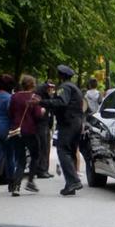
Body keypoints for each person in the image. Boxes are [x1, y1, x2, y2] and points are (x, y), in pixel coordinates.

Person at [39, 64, 85, 196]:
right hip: (77, 122)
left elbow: (61, 103)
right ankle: (70, 184)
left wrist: (42, 102)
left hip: (67, 123)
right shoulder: (75, 87)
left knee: (62, 151)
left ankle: (73, 181)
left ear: (61, 76)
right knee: (70, 152)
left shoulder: (64, 87)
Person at [8, 75, 44, 196]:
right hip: (30, 131)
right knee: (35, 155)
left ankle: (16, 186)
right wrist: (42, 112)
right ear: (33, 85)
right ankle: (30, 181)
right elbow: (38, 115)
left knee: (20, 159)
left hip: (16, 131)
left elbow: (10, 113)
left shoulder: (14, 97)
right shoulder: (34, 97)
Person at [34, 81, 56, 178]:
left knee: (46, 147)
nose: (51, 90)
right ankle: (41, 170)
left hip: (46, 123)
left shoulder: (46, 96)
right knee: (43, 146)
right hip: (41, 124)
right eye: (50, 88)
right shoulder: (40, 96)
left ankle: (44, 169)